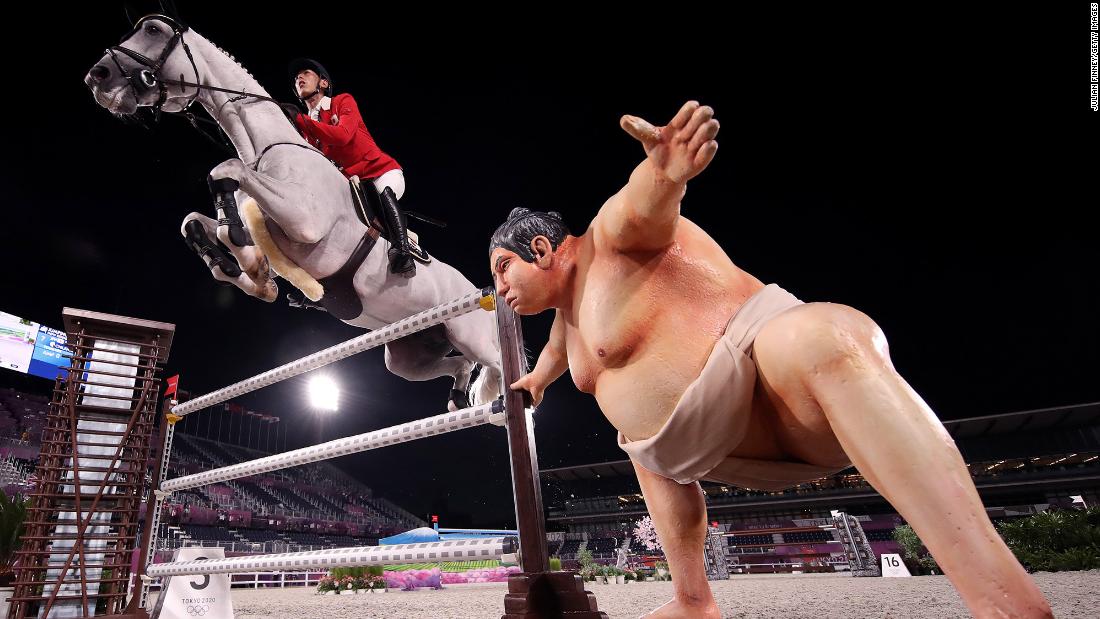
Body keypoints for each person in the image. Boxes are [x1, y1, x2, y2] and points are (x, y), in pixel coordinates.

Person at [489, 101, 1053, 619]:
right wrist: (534, 382)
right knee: (641, 448)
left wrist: (666, 169)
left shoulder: (612, 238)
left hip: (776, 391)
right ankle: (693, 602)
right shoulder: (569, 322)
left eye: (502, 267)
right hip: (703, 453)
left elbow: (645, 201)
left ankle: (1005, 603)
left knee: (822, 334)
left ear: (541, 250)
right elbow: (557, 360)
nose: (501, 288)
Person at [289, 57, 417, 276]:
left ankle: (402, 252)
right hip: (352, 186)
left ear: (323, 83)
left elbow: (344, 136)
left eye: (306, 73)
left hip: (382, 172)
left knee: (383, 194)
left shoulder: (341, 101)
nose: (298, 78)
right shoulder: (306, 129)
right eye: (296, 77)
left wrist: (302, 122)